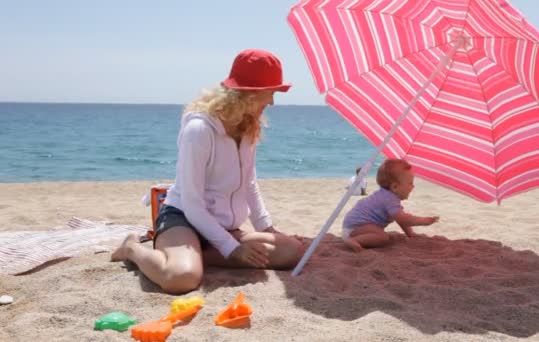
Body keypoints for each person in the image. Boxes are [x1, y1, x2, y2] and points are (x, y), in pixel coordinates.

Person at [111, 49, 304, 294]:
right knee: (181, 279)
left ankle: (197, 254)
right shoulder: (199, 131)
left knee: (292, 251)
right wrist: (233, 249)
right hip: (183, 219)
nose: (272, 102)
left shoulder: (248, 127)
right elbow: (192, 205)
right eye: (271, 92)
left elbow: (249, 183)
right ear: (249, 93)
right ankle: (133, 250)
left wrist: (266, 229)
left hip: (222, 228)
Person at [342, 159, 439, 252]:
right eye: (410, 183)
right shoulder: (389, 199)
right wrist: (424, 221)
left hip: (356, 225)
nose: (413, 186)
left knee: (380, 234)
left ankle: (354, 239)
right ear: (395, 187)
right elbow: (403, 219)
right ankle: (354, 241)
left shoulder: (387, 196)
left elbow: (400, 219)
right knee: (382, 237)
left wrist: (410, 233)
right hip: (355, 227)